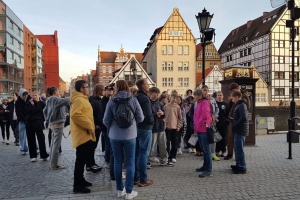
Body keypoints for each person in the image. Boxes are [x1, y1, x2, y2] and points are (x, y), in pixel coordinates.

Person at [103, 80, 144, 199]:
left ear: (116, 88)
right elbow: (141, 118)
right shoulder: (133, 99)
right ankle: (129, 192)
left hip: (115, 135)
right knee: (130, 162)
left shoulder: (112, 101)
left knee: (117, 162)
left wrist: (113, 126)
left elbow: (106, 120)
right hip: (130, 135)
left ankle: (120, 190)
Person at [69, 80, 96, 194]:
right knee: (80, 160)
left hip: (84, 133)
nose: (88, 89)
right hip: (82, 134)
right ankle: (78, 185)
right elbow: (75, 115)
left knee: (83, 159)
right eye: (86, 87)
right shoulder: (79, 99)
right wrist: (90, 125)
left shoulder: (81, 98)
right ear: (81, 89)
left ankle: (81, 180)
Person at [43, 87, 70, 169]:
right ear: (55, 92)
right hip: (57, 123)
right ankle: (54, 164)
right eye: (58, 91)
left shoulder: (49, 99)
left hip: (53, 123)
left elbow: (44, 110)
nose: (59, 92)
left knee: (53, 144)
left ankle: (52, 162)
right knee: (56, 144)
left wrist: (48, 118)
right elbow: (66, 101)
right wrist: (73, 96)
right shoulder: (54, 98)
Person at [134, 78, 154, 187]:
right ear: (142, 86)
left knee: (137, 153)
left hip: (136, 128)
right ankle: (143, 179)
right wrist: (152, 121)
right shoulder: (145, 99)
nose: (148, 86)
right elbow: (148, 115)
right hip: (145, 128)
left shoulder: (135, 97)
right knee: (143, 154)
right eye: (147, 84)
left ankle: (135, 177)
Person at [225, 83, 250, 160]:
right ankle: (229, 153)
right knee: (230, 137)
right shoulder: (233, 97)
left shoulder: (244, 96)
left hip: (238, 120)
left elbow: (247, 108)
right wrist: (230, 101)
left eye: (233, 90)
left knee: (238, 140)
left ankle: (238, 155)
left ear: (237, 88)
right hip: (232, 119)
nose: (232, 92)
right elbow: (229, 108)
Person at [147, 87, 171, 166]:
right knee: (151, 145)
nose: (156, 95)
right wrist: (155, 115)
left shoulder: (160, 104)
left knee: (163, 144)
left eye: (157, 94)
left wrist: (162, 113)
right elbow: (147, 115)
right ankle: (149, 159)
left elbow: (164, 115)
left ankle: (164, 159)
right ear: (150, 94)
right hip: (153, 128)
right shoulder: (148, 104)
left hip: (160, 127)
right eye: (155, 93)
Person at [193, 89, 212, 178]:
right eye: (194, 95)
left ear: (200, 95)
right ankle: (205, 166)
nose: (195, 97)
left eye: (196, 95)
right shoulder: (199, 103)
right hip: (200, 129)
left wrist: (198, 125)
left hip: (203, 128)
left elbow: (205, 115)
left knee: (206, 149)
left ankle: (209, 170)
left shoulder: (204, 102)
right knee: (204, 149)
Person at [25, 92, 48, 162]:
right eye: (33, 95)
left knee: (41, 138)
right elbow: (27, 112)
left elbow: (44, 112)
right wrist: (31, 105)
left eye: (36, 95)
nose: (34, 97)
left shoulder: (42, 103)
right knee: (31, 139)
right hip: (29, 122)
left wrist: (43, 121)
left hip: (38, 122)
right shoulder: (29, 103)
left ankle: (43, 155)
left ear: (39, 96)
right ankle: (33, 156)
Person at [87, 84, 105, 173]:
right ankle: (90, 164)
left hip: (98, 125)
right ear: (99, 90)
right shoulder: (94, 101)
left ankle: (91, 163)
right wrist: (94, 124)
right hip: (95, 127)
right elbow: (91, 114)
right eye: (103, 90)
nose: (104, 91)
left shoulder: (97, 100)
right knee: (92, 146)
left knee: (92, 146)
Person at [231, 91, 248, 174]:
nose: (232, 99)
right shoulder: (240, 105)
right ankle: (239, 164)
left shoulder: (241, 105)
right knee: (237, 149)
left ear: (237, 97)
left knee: (239, 149)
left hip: (240, 130)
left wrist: (236, 125)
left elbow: (243, 118)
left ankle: (242, 167)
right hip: (239, 130)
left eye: (233, 98)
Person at [201, 85, 219, 161]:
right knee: (204, 139)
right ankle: (206, 154)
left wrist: (214, 117)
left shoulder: (211, 99)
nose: (206, 92)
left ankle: (213, 153)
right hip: (203, 122)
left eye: (207, 90)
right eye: (204, 90)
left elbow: (217, 109)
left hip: (211, 121)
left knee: (213, 138)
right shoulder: (200, 100)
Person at [164, 90, 182, 164]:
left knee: (174, 143)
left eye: (176, 98)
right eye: (173, 97)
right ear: (169, 97)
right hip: (167, 128)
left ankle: (173, 156)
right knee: (167, 143)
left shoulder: (177, 107)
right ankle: (167, 156)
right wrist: (164, 125)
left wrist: (178, 126)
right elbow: (163, 117)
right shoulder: (166, 106)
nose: (174, 99)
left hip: (175, 128)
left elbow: (180, 118)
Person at [15, 89, 31, 154]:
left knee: (32, 135)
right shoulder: (18, 102)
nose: (25, 96)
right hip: (22, 120)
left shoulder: (30, 99)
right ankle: (23, 148)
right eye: (24, 95)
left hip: (30, 120)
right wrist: (24, 119)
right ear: (21, 95)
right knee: (22, 135)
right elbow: (18, 113)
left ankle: (36, 148)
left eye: (26, 94)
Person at [102, 85, 113, 168]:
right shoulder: (104, 100)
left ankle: (111, 160)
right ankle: (107, 160)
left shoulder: (113, 100)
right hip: (106, 126)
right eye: (108, 90)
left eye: (111, 90)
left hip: (112, 126)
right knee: (108, 143)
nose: (110, 91)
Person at [216, 91, 228, 157]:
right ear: (216, 96)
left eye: (220, 95)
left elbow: (227, 113)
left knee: (223, 138)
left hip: (224, 124)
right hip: (217, 124)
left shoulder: (225, 104)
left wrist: (227, 121)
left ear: (222, 96)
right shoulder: (215, 104)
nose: (219, 96)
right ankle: (217, 151)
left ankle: (223, 151)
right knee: (217, 138)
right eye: (218, 95)